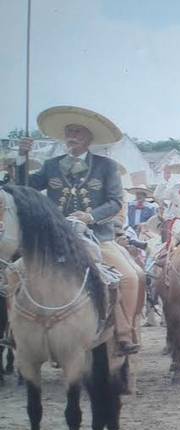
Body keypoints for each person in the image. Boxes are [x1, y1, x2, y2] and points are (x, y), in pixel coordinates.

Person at [15, 105, 144, 355]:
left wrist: (90, 216)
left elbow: (116, 201)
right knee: (13, 274)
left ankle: (124, 333)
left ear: (88, 138)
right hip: (55, 239)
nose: (72, 136)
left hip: (97, 237)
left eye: (77, 132)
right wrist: (22, 157)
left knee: (128, 276)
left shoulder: (107, 167)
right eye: (68, 131)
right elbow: (25, 188)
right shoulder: (50, 166)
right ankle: (16, 333)